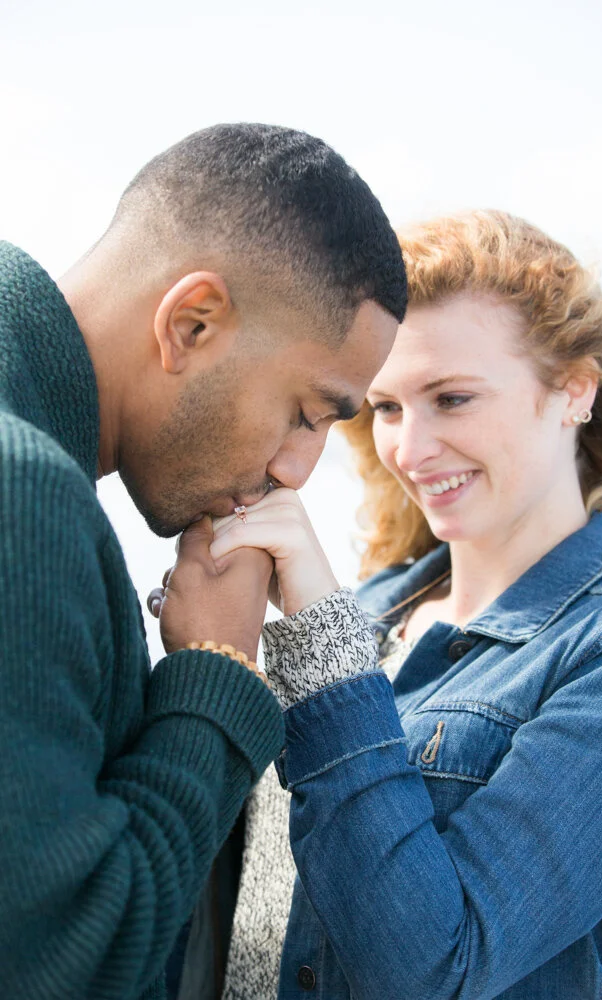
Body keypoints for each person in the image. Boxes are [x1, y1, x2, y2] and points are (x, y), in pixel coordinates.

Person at [203, 210, 602, 999]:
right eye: (386, 407)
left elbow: (432, 970)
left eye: (451, 399)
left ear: (574, 390)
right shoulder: (366, 612)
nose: (410, 451)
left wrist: (318, 644)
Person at [0, 123, 406, 1000]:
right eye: (307, 412)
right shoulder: (23, 498)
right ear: (191, 323)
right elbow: (65, 968)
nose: (298, 471)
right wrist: (218, 677)